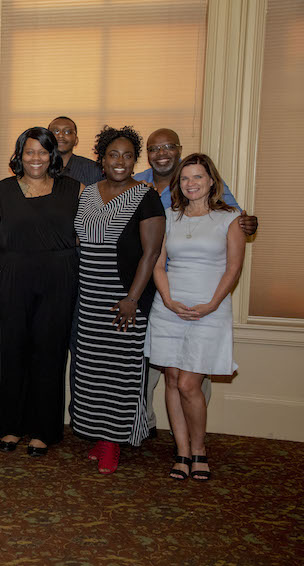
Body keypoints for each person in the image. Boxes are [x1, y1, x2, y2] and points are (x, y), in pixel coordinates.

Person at [135, 128, 258, 436]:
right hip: (154, 292)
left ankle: (195, 441)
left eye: (167, 147)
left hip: (203, 298)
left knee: (192, 379)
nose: (161, 153)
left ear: (178, 149)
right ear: (147, 153)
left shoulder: (216, 201)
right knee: (154, 374)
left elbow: (235, 225)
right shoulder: (138, 184)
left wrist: (249, 223)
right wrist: (165, 298)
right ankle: (149, 431)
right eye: (154, 148)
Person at [0, 127, 83, 456]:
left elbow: (91, 233)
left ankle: (43, 430)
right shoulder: (2, 192)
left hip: (59, 280)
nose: (36, 158)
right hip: (13, 280)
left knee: (50, 354)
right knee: (14, 352)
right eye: (29, 151)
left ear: (53, 155)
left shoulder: (74, 189)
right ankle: (11, 426)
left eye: (43, 151)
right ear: (19, 154)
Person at [70, 125, 165, 474]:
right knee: (92, 371)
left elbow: (151, 253)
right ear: (102, 158)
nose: (121, 161)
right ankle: (100, 435)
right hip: (89, 297)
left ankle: (114, 442)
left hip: (123, 298)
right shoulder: (88, 193)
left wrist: (132, 299)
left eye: (128, 155)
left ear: (134, 159)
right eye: (114, 154)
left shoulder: (146, 196)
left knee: (120, 373)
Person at [149, 154, 245, 481]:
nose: (191, 184)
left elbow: (233, 268)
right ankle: (182, 451)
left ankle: (200, 448)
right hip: (170, 307)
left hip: (209, 309)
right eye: (186, 178)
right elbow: (158, 264)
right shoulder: (168, 216)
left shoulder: (231, 218)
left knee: (191, 383)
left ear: (211, 181)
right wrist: (168, 299)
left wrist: (212, 304)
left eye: (198, 177)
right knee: (173, 380)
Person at [48, 116, 104, 186]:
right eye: (56, 131)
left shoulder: (94, 170)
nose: (61, 135)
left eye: (67, 132)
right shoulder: (38, 168)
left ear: (76, 140)